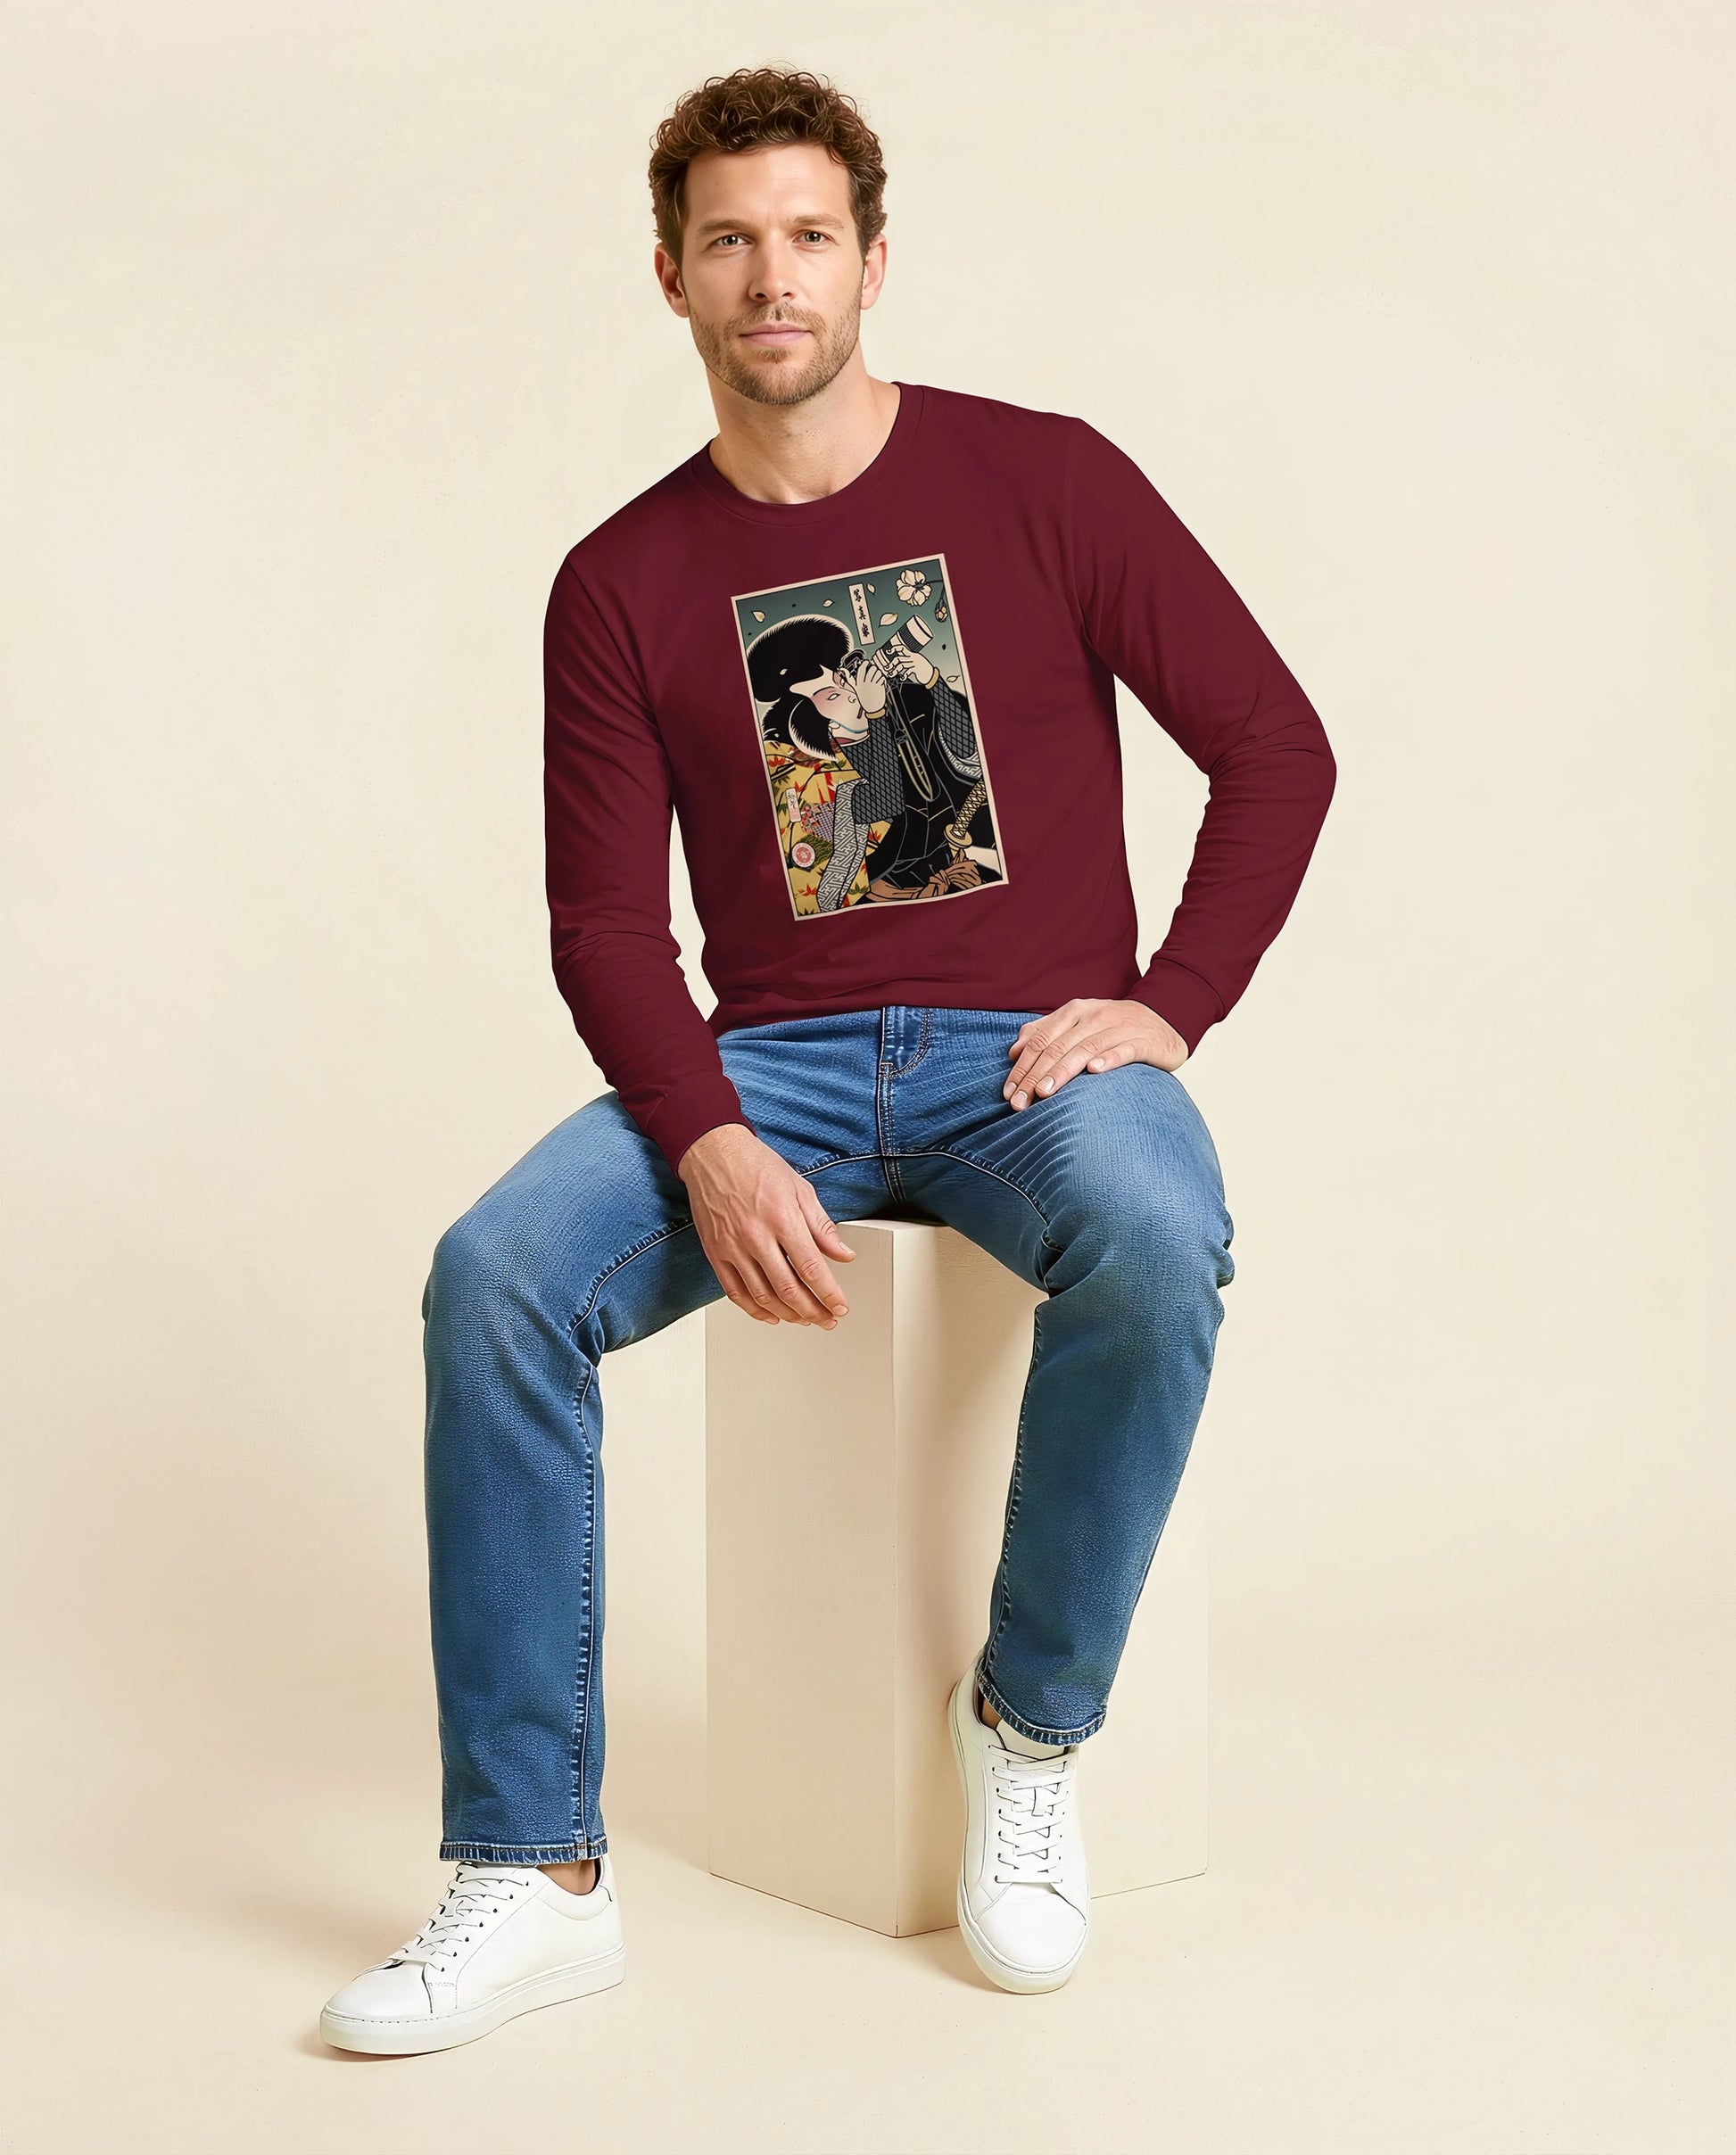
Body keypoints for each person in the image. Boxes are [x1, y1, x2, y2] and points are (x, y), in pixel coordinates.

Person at [319, 62, 1335, 2054]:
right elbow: (605, 927)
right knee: (494, 1276)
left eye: (806, 237)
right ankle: (530, 1872)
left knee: (1156, 1233)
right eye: (728, 242)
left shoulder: (1047, 482)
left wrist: (1173, 1000)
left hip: (1030, 1059)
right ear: (672, 276)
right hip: (771, 1063)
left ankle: (1028, 1728)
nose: (769, 278)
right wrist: (705, 1136)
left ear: (873, 261)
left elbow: (1274, 747)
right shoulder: (620, 580)